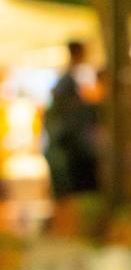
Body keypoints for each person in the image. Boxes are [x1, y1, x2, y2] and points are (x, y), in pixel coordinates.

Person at [44, 40, 101, 237]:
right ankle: (68, 232)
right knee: (66, 193)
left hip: (63, 144)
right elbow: (71, 119)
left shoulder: (67, 81)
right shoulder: (67, 83)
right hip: (65, 146)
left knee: (66, 194)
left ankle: (68, 231)